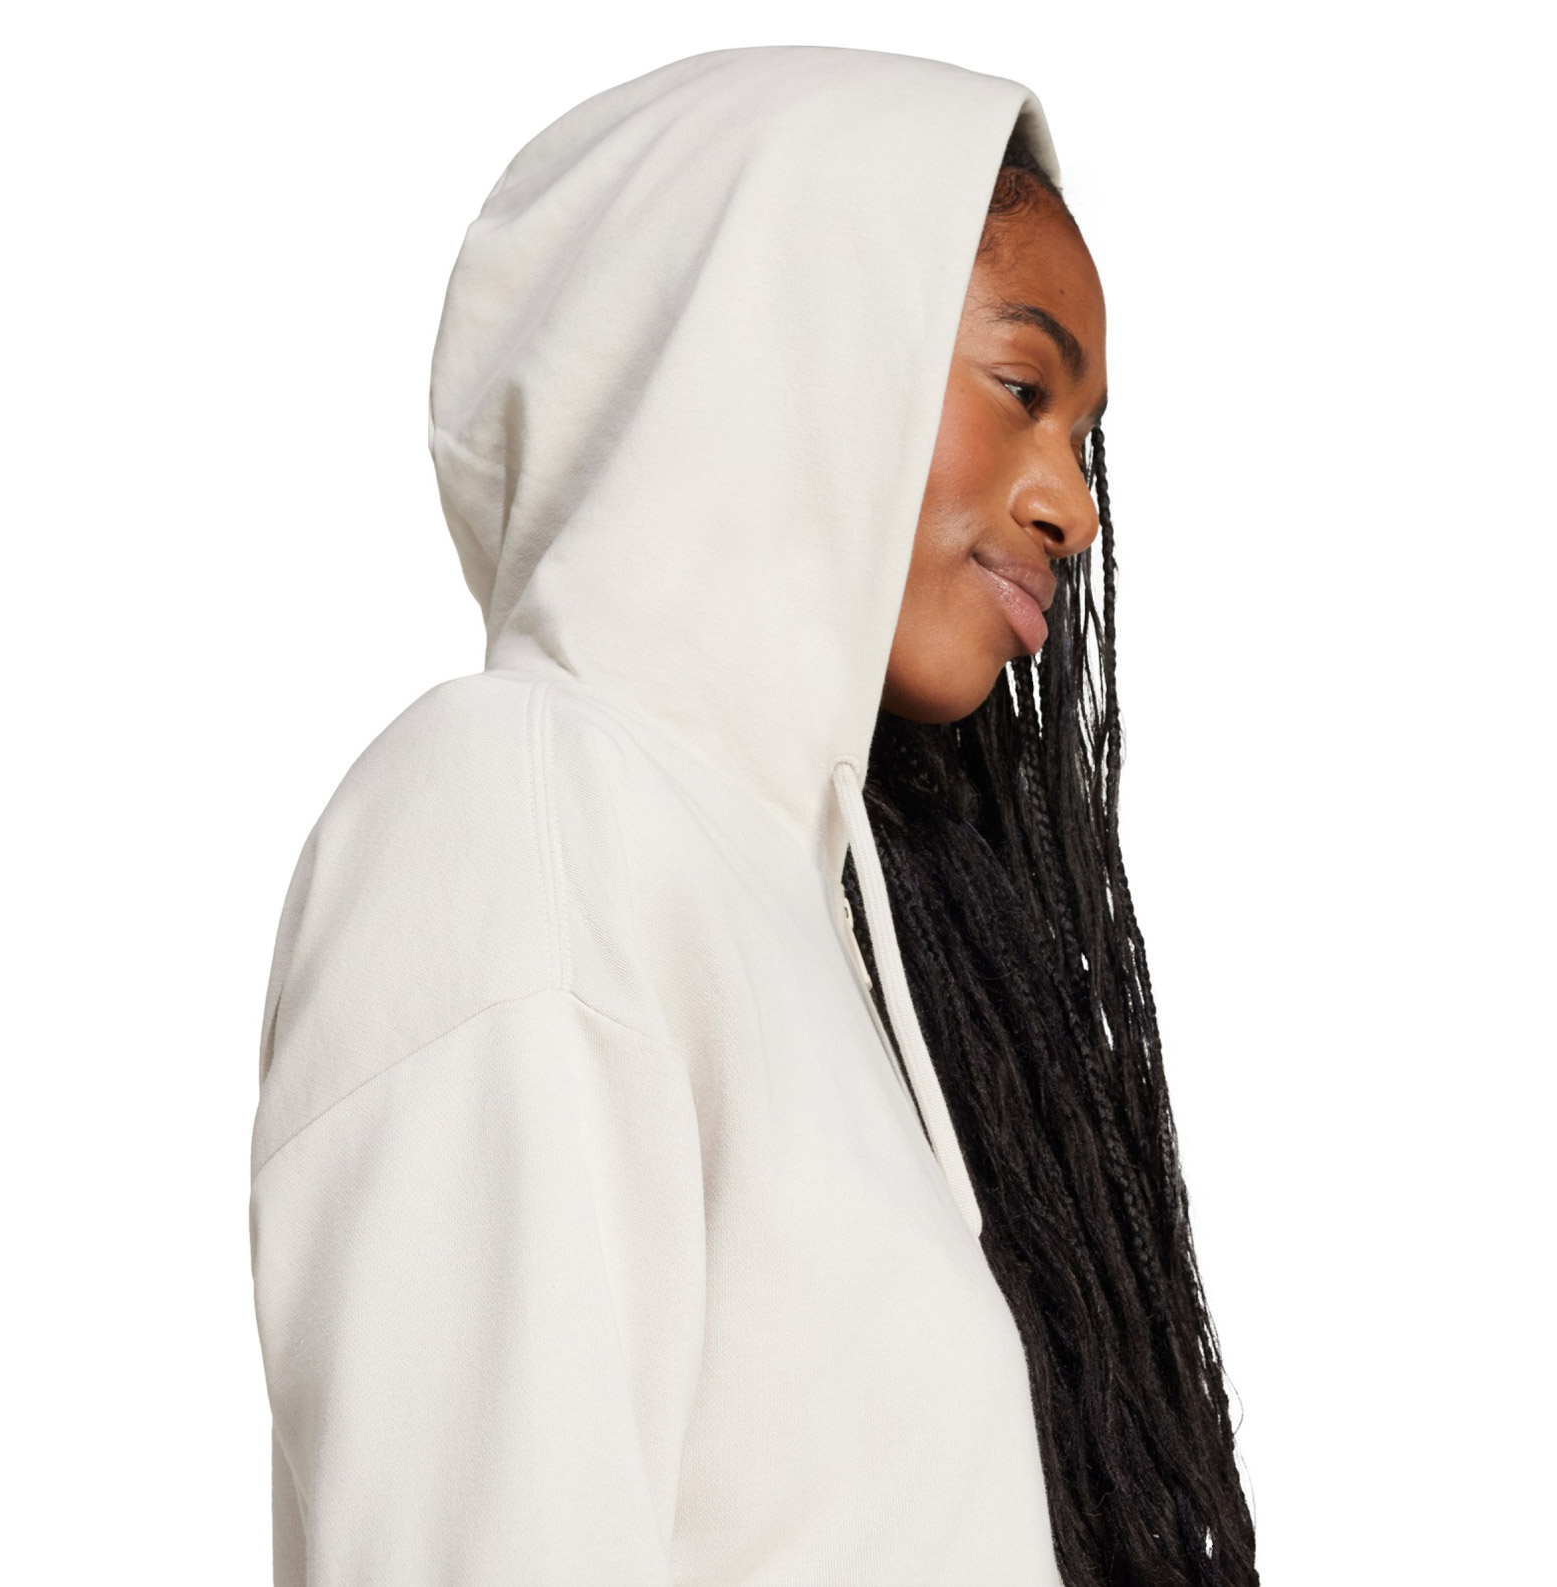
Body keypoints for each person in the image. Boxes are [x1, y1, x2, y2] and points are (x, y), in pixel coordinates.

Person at [248, 43, 1258, 1587]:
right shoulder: (521, 810)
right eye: (1021, 388)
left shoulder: (821, 942)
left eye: (1081, 434)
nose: (1074, 504)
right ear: (793, 336)